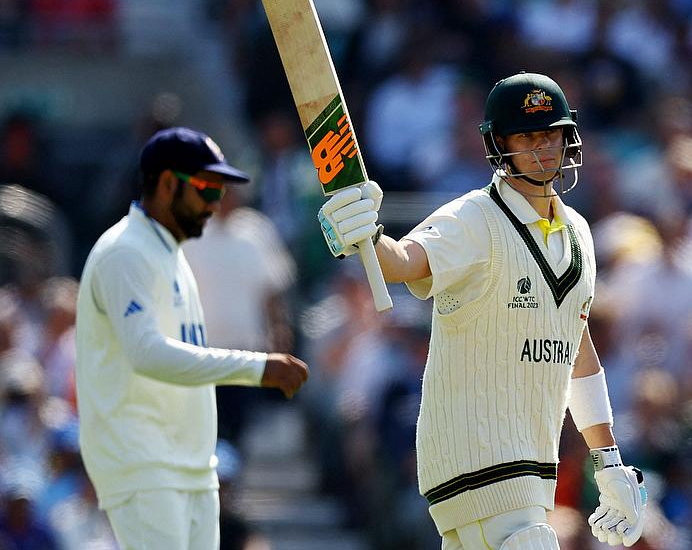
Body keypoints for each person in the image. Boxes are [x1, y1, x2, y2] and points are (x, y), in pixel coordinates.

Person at [317, 72, 647, 548]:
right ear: (498, 144)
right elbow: (405, 260)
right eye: (528, 136)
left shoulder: (579, 232)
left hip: (534, 465)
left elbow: (578, 351)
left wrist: (608, 460)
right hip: (474, 455)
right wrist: (368, 238)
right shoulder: (473, 218)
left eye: (551, 134)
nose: (543, 148)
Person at [74, 127, 309, 550]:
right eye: (206, 189)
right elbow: (146, 353)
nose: (215, 204)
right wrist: (257, 366)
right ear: (166, 184)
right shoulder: (126, 251)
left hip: (189, 464)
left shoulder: (170, 252)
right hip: (145, 462)